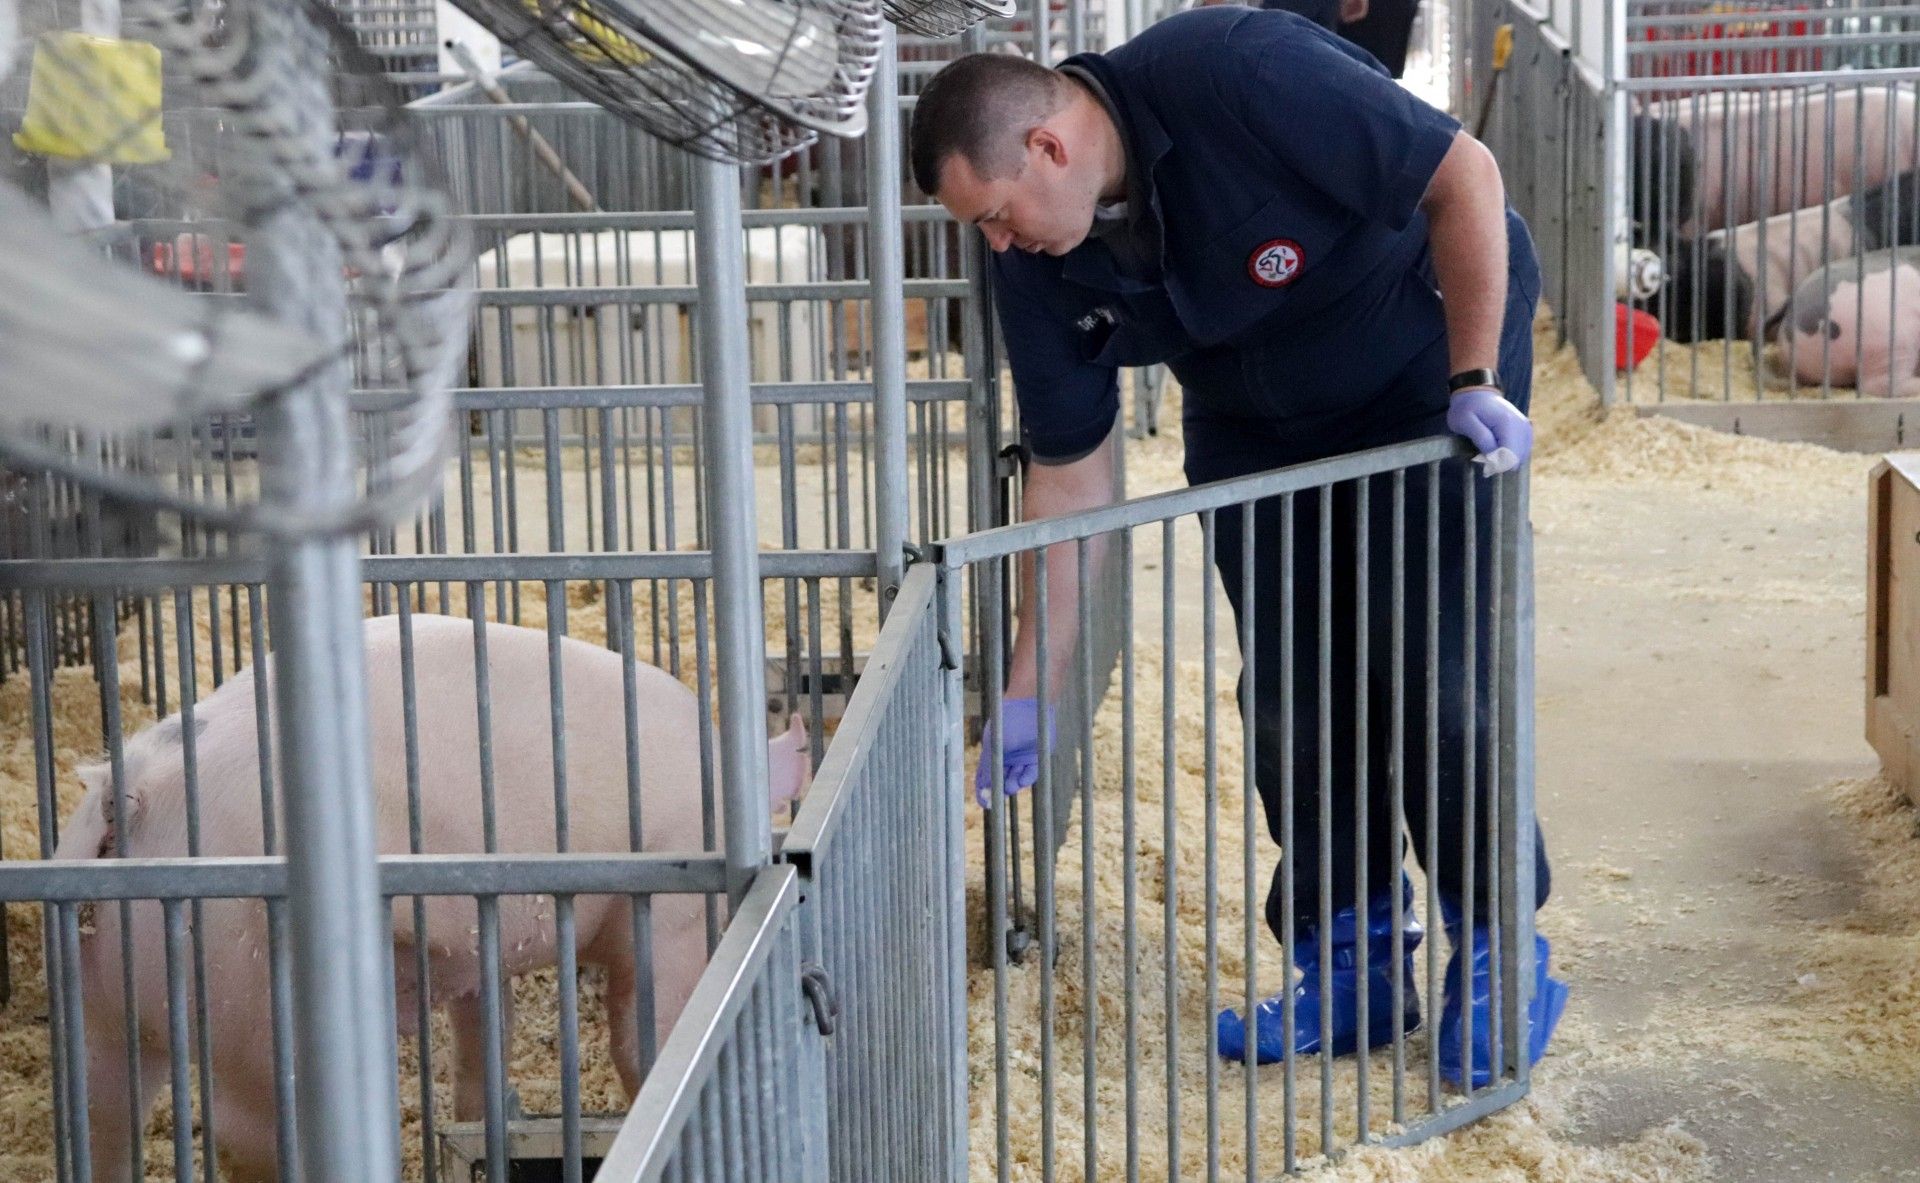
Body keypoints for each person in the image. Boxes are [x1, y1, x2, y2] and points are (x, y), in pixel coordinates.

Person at [909, 5, 1566, 1086]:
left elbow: (1466, 175)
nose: (997, 241)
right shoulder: (1038, 265)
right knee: (1292, 695)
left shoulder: (1238, 71)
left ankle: (1497, 947)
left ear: (1047, 147)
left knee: (1440, 670)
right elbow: (1070, 475)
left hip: (1420, 368)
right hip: (1254, 416)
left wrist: (1474, 377)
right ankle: (1347, 962)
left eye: (995, 213)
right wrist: (1031, 687)